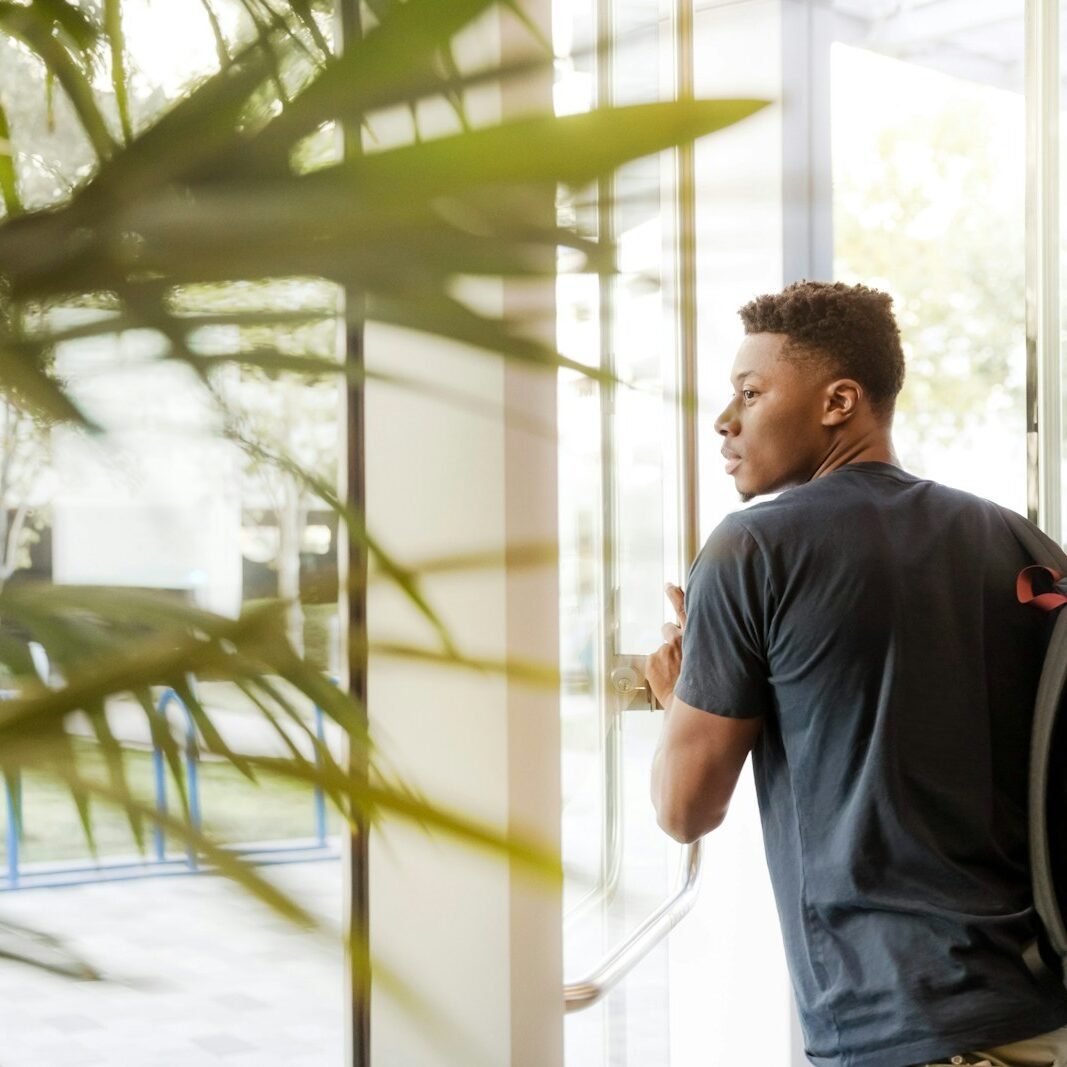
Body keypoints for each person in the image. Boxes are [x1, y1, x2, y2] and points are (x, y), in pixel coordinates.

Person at [644, 280, 1067, 1067]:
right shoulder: (1022, 544)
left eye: (749, 391)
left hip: (899, 1024)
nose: (723, 420)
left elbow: (683, 807)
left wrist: (680, 699)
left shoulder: (752, 549)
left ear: (839, 401)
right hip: (1039, 1010)